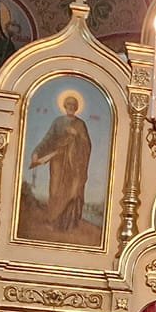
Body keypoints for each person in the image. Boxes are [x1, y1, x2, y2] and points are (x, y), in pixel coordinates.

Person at [25, 90, 95, 240]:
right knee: (55, 190)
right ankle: (53, 221)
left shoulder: (80, 124)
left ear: (76, 107)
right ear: (64, 106)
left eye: (73, 105)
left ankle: (68, 224)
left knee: (71, 192)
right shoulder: (58, 122)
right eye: (68, 104)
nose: (70, 107)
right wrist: (37, 152)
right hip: (57, 161)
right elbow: (48, 138)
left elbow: (87, 145)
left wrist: (77, 136)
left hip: (74, 165)